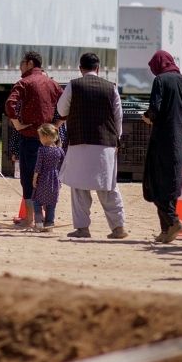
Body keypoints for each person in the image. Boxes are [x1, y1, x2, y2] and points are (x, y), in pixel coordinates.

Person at [59, 53, 128, 239]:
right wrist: (116, 139)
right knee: (108, 187)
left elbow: (61, 110)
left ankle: (82, 229)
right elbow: (118, 117)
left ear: (80, 68)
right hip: (105, 145)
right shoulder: (111, 88)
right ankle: (118, 227)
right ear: (98, 68)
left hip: (79, 142)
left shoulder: (74, 85)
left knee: (79, 188)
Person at [143, 50, 182, 243]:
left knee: (156, 183)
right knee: (172, 186)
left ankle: (174, 221)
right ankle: (166, 230)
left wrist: (147, 117)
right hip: (180, 141)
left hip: (162, 139)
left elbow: (155, 109)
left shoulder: (160, 81)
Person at [4, 51, 63, 220]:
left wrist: (17, 124)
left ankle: (30, 218)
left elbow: (10, 103)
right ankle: (48, 218)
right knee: (49, 178)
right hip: (50, 140)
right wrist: (57, 125)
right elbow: (67, 104)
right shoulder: (53, 84)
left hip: (30, 137)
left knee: (29, 177)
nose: (20, 67)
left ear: (30, 63)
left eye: (22, 63)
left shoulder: (24, 82)